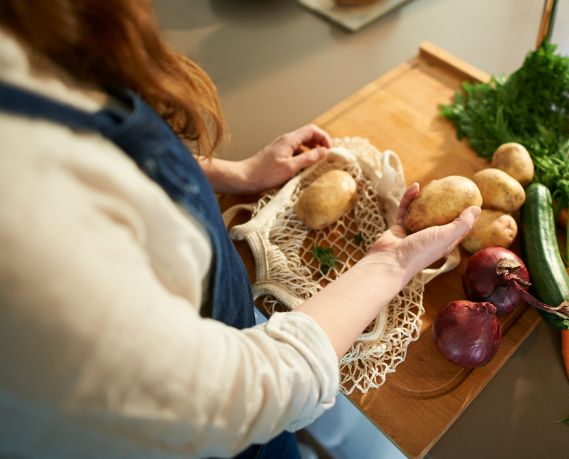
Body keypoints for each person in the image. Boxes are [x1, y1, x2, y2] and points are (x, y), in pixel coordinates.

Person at [0, 1, 479, 458]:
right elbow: (251, 394)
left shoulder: (31, 30)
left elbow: (95, 157)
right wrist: (390, 261)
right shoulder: (24, 233)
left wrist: (231, 174)